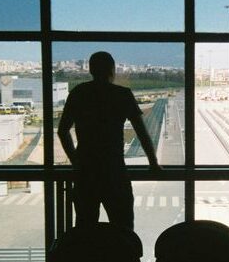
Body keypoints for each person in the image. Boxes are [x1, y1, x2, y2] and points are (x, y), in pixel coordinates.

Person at [57, 51, 160, 230]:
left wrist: (76, 161)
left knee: (85, 229)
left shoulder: (79, 93)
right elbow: (142, 133)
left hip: (86, 173)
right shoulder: (123, 94)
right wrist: (153, 163)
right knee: (123, 228)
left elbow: (62, 131)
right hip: (115, 172)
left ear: (90, 70)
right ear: (113, 70)